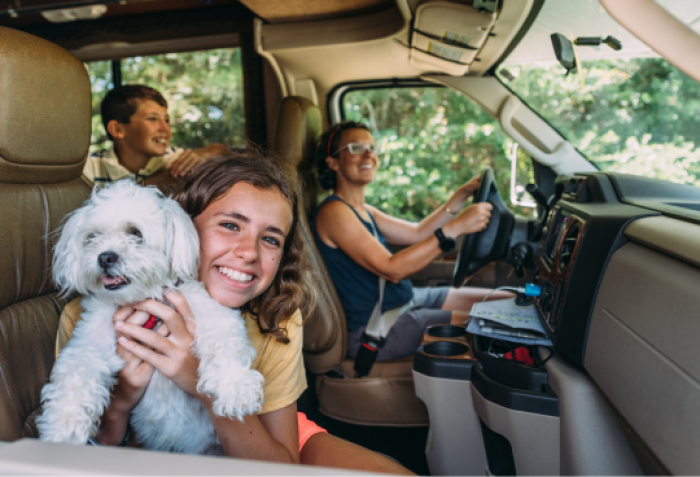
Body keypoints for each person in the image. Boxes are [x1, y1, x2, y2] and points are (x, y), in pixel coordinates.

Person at [56, 151, 413, 474]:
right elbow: (85, 451)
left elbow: (279, 465)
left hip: (264, 431)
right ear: (184, 226)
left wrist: (203, 386)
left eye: (271, 239)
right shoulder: (91, 313)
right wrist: (120, 401)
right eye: (230, 225)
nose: (248, 252)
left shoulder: (278, 316)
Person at [313, 121, 514, 362]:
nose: (369, 154)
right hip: (377, 326)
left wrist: (460, 196)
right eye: (356, 147)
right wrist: (457, 227)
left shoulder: (363, 210)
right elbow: (392, 269)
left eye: (372, 147)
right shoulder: (333, 212)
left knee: (507, 300)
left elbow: (418, 232)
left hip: (405, 300)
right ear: (333, 162)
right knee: (494, 322)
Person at [82, 84, 229, 189]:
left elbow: (222, 151)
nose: (166, 129)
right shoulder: (90, 167)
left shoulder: (172, 159)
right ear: (117, 129)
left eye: (167, 120)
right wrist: (166, 178)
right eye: (152, 119)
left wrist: (205, 153)